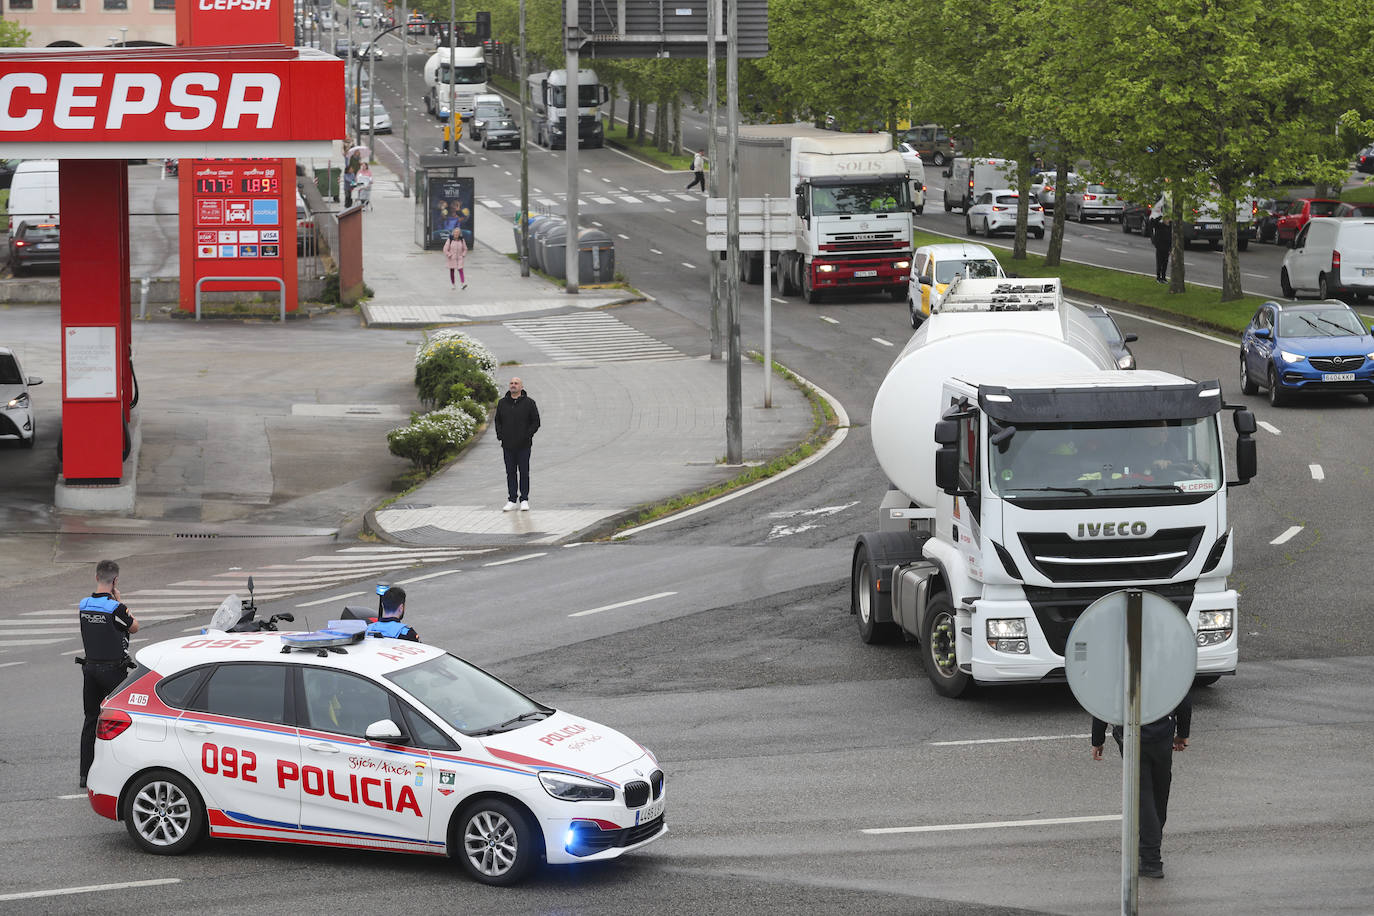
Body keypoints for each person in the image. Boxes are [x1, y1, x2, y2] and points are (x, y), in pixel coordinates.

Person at [1091, 694, 1192, 879]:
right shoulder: (1166, 665)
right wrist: (1183, 733)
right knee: (1159, 793)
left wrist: (1097, 739)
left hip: (1131, 734)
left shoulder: (1120, 664)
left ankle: (1151, 859)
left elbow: (1104, 698)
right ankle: (1149, 845)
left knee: (1142, 796)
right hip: (1162, 734)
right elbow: (1182, 695)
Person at [78, 559, 139, 788]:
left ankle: (85, 774)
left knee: (90, 720)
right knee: (118, 721)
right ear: (115, 581)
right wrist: (121, 601)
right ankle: (119, 773)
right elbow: (134, 626)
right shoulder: (116, 608)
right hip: (113, 671)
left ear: (96, 577)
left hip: (90, 669)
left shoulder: (83, 605)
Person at [495, 376, 540, 512]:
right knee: (510, 472)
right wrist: (501, 435)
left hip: (524, 445)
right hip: (507, 445)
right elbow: (498, 421)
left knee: (524, 472)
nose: (513, 385)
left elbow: (536, 422)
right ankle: (512, 499)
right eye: (511, 383)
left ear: (521, 386)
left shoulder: (529, 403)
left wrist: (527, 435)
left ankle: (524, 499)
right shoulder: (502, 403)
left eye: (516, 383)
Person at [1152, 215, 1173, 283]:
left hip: (1167, 248)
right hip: (1160, 247)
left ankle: (1163, 277)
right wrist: (1160, 216)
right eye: (1166, 219)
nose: (1167, 221)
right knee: (1159, 263)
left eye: (1168, 219)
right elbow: (1153, 223)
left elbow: (1170, 238)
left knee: (1165, 263)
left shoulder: (1170, 227)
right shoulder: (1160, 226)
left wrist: (1170, 248)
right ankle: (1158, 277)